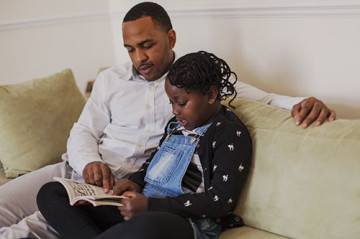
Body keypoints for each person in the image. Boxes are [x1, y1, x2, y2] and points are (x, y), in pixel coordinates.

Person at [0, 2, 335, 238]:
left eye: (146, 45)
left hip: (121, 193)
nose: (138, 58)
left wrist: (302, 103)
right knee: (31, 197)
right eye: (130, 49)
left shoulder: (193, 86)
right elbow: (84, 130)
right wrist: (88, 161)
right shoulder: (111, 80)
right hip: (80, 170)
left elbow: (263, 97)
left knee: (21, 232)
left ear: (170, 39)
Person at [37, 51, 252, 239]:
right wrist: (136, 182)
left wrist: (150, 207)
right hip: (143, 206)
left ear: (212, 94)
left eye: (182, 103)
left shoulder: (229, 132)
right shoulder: (176, 124)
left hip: (185, 221)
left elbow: (221, 202)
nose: (175, 111)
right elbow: (154, 160)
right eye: (172, 103)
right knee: (52, 192)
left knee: (146, 226)